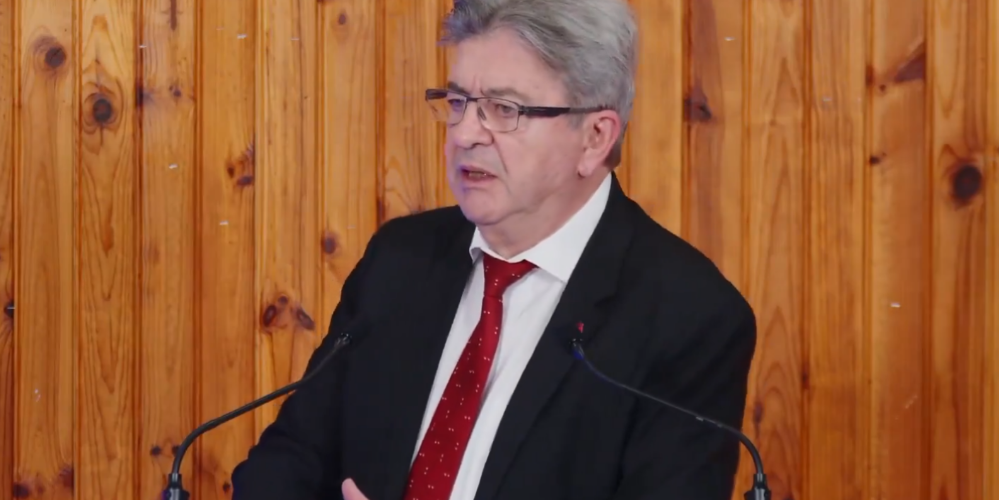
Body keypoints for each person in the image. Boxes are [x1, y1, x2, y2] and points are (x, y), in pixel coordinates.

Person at [230, 0, 757, 499]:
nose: (465, 134)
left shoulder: (690, 319)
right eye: (459, 102)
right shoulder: (400, 261)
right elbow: (289, 460)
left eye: (504, 109)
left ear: (596, 137)